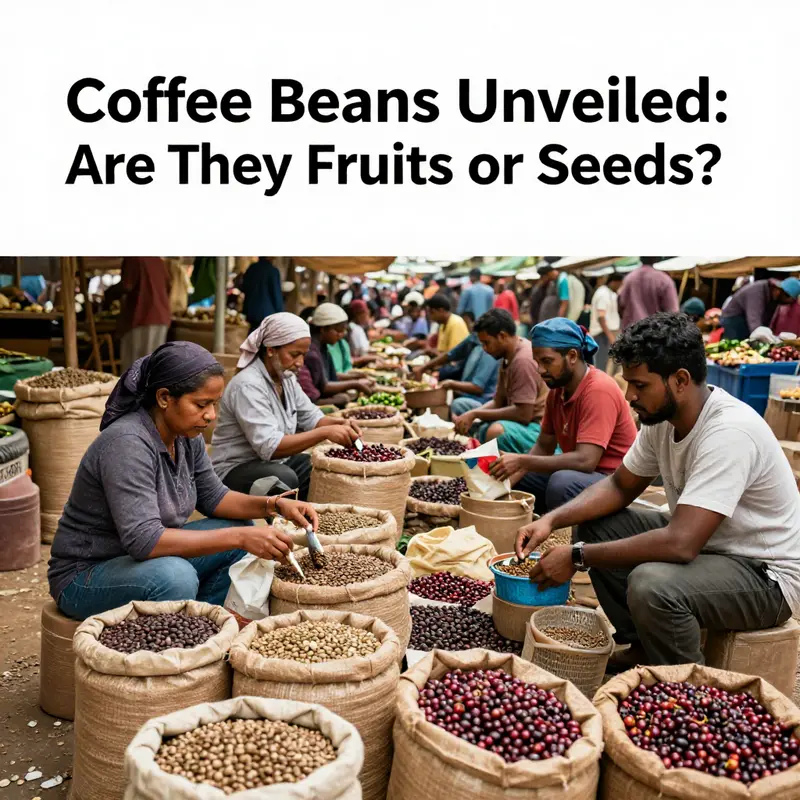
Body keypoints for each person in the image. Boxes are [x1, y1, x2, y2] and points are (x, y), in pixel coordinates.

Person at [516, 313, 800, 668]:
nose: (630, 396)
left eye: (639, 385)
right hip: (711, 547)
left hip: (765, 574)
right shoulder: (662, 419)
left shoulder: (729, 433)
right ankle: (643, 643)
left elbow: (681, 544)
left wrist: (577, 557)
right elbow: (620, 486)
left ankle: (686, 686)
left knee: (651, 584)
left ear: (680, 380)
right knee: (596, 525)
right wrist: (552, 522)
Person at [47, 342, 318, 621]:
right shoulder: (127, 443)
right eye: (201, 404)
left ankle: (205, 620)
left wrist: (274, 506)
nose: (211, 415)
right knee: (177, 576)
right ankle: (192, 627)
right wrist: (242, 538)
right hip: (86, 576)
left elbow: (215, 497)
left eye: (214, 404)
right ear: (165, 398)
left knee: (237, 526)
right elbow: (145, 541)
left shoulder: (186, 437)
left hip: (139, 563)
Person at [212, 313, 364, 500]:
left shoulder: (287, 379)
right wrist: (325, 433)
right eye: (294, 355)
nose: (300, 363)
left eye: (303, 355)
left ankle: (308, 520)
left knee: (319, 468)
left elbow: (312, 417)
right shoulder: (248, 385)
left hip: (274, 463)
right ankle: (276, 523)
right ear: (270, 350)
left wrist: (340, 424)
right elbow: (270, 447)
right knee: (283, 478)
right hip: (235, 471)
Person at [491, 318, 636, 514]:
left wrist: (522, 461)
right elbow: (544, 446)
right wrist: (510, 479)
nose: (540, 370)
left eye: (547, 361)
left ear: (572, 356)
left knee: (561, 483)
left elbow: (586, 461)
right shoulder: (556, 392)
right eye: (537, 362)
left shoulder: (598, 390)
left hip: (612, 480)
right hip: (584, 475)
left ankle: (561, 529)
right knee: (517, 476)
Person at [453, 309, 548, 453]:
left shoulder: (523, 360)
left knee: (494, 431)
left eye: (486, 343)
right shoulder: (507, 357)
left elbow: (524, 413)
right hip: (522, 421)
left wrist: (476, 414)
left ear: (502, 336)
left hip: (538, 427)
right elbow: (498, 401)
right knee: (470, 416)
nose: (484, 349)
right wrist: (470, 415)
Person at [412, 330, 500, 416]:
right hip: (468, 395)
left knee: (456, 404)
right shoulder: (475, 340)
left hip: (482, 401)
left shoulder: (488, 353)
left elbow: (478, 388)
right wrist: (424, 368)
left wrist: (451, 384)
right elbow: (452, 354)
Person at [303, 303, 375, 406]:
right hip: (312, 403)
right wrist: (356, 384)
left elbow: (328, 377)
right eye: (338, 330)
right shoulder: (312, 353)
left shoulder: (323, 347)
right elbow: (324, 386)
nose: (341, 335)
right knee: (343, 399)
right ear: (323, 329)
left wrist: (357, 378)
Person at [118, 257, 171, 371]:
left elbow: (126, 285)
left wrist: (109, 294)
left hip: (142, 317)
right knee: (151, 366)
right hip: (161, 317)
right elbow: (168, 285)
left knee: (135, 368)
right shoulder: (158, 260)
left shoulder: (134, 258)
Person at [719, 277, 800, 340]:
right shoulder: (757, 291)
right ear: (780, 291)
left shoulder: (775, 298)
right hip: (733, 319)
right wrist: (762, 335)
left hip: (746, 321)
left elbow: (768, 321)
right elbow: (754, 320)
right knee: (735, 347)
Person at [617, 256, 679, 330]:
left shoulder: (628, 279)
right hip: (655, 333)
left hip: (631, 333)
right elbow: (673, 313)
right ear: (656, 258)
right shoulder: (664, 280)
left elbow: (621, 304)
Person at [589, 273, 623, 372]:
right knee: (601, 366)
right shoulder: (603, 294)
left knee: (612, 366)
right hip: (602, 334)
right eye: (620, 284)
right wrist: (611, 337)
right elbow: (601, 318)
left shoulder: (610, 293)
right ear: (614, 282)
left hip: (608, 333)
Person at [242, 257, 284, 332]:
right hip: (267, 313)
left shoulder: (252, 268)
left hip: (251, 311)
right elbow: (276, 294)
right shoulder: (273, 271)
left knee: (253, 336)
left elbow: (244, 287)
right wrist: (280, 313)